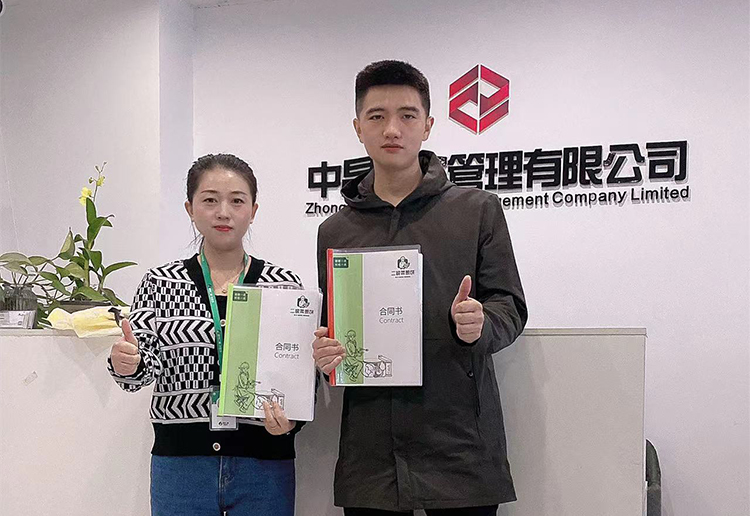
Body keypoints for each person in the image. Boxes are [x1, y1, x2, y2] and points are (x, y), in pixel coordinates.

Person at [312, 60, 528, 515]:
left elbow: (509, 305)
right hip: (371, 451)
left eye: (407, 115)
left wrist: (481, 323)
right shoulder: (336, 231)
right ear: (358, 127)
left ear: (428, 125)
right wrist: (326, 352)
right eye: (377, 116)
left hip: (459, 443)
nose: (392, 129)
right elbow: (333, 326)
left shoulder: (477, 211)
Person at [109, 153, 303, 516]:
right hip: (182, 468)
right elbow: (142, 368)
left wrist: (292, 422)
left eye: (237, 201)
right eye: (210, 200)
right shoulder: (161, 282)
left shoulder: (283, 286)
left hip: (264, 464)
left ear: (253, 210)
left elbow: (301, 375)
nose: (223, 212)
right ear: (190, 208)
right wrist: (127, 364)